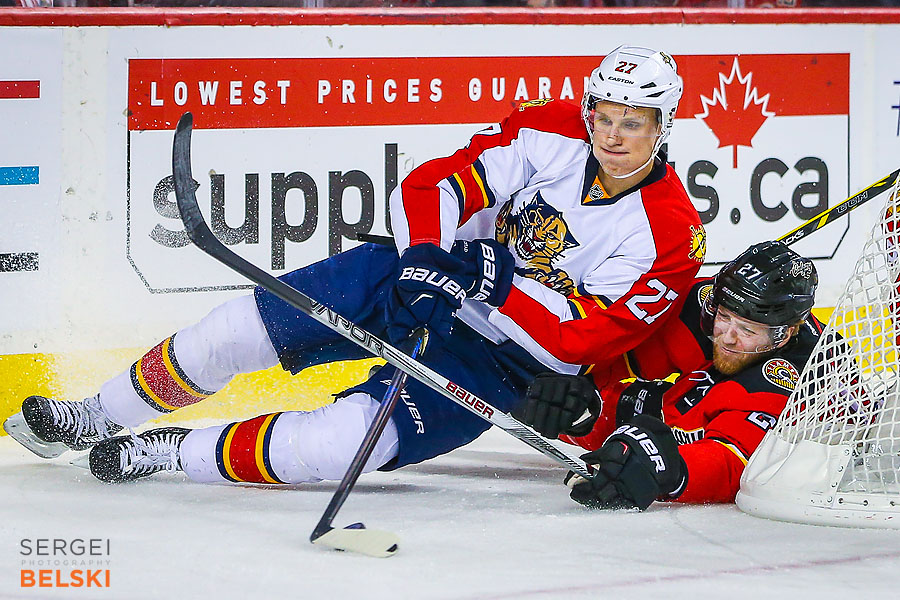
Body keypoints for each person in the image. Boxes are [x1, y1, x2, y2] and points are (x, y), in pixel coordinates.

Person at [4, 45, 704, 486]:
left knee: (341, 447)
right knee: (230, 332)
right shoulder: (550, 129)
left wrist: (493, 285)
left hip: (501, 362)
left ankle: (173, 451)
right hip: (420, 278)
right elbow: (438, 186)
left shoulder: (671, 232)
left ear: (662, 126)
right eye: (604, 117)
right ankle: (94, 413)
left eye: (632, 122)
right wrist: (429, 259)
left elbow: (587, 337)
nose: (611, 136)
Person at [517, 240, 822, 509]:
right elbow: (630, 359)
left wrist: (666, 471)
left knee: (671, 425)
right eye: (725, 317)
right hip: (718, 388)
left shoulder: (783, 380)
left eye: (747, 329)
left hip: (807, 435)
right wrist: (585, 401)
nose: (727, 337)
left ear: (784, 335)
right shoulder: (701, 311)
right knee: (651, 408)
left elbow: (732, 462)